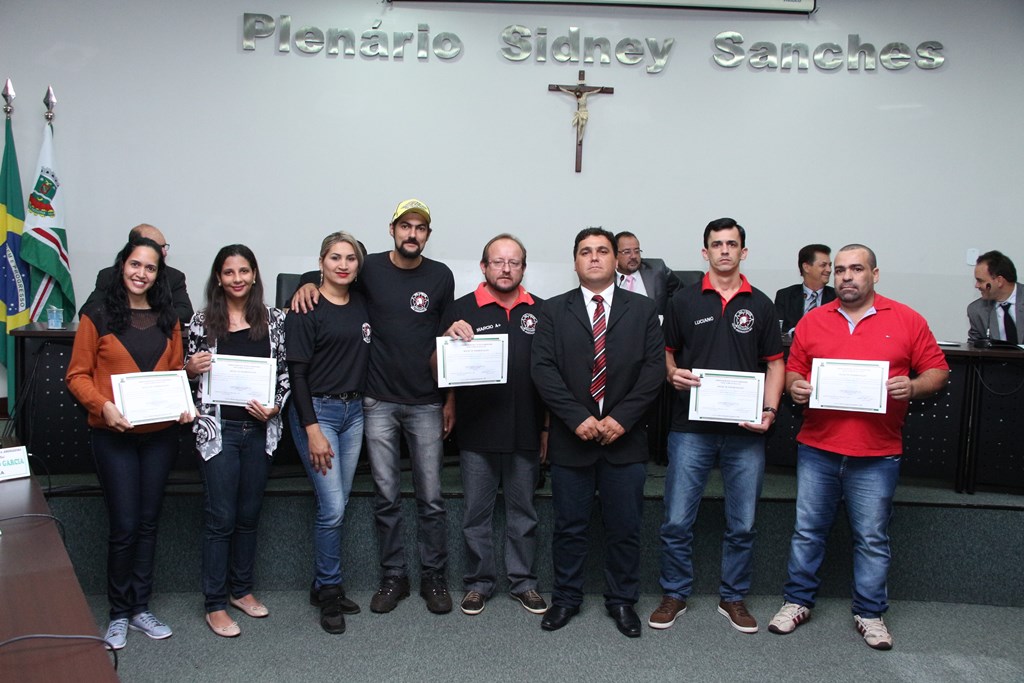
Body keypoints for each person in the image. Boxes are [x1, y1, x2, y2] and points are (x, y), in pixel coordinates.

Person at [768, 244, 949, 651]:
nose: (847, 277)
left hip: (877, 452)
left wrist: (913, 386)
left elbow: (938, 371)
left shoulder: (906, 318)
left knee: (871, 537)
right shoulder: (814, 320)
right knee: (807, 532)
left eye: (857, 269)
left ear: (874, 274)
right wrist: (796, 386)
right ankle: (797, 602)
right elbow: (794, 369)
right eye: (840, 270)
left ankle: (869, 613)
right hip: (818, 447)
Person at [291, 199, 455, 614]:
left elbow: (444, 343)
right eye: (405, 226)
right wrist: (306, 283)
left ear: (428, 235)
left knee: (432, 498)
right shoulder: (371, 269)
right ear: (392, 230)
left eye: (420, 227)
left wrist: (450, 399)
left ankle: (434, 577)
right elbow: (334, 277)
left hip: (426, 403)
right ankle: (393, 577)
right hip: (377, 401)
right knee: (386, 496)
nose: (412, 233)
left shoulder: (441, 276)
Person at [652, 217, 784, 634]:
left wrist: (770, 410)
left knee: (742, 523)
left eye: (731, 244)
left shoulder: (761, 304)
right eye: (716, 244)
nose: (724, 250)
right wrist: (671, 373)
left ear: (743, 252)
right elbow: (666, 352)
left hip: (745, 431)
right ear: (704, 252)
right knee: (676, 520)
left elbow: (776, 364)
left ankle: (733, 597)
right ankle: (674, 594)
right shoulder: (683, 301)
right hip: (690, 429)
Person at [531, 227, 664, 638]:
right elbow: (543, 369)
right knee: (569, 527)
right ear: (574, 262)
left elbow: (653, 370)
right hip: (573, 439)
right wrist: (577, 418)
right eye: (585, 251)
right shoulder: (553, 310)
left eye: (602, 251)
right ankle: (566, 598)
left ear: (615, 260)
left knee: (625, 528)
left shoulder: (643, 309)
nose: (594, 257)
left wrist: (621, 418)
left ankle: (622, 601)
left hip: (626, 439)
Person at [66, 235, 193, 651]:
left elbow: (175, 372)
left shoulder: (168, 318)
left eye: (150, 267)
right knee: (124, 525)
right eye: (135, 264)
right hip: (113, 437)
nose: (141, 273)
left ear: (159, 274)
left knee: (149, 522)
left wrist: (182, 405)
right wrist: (103, 406)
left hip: (160, 438)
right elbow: (77, 375)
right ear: (122, 265)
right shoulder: (97, 314)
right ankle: (119, 613)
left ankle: (140, 608)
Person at [439, 234, 548, 617]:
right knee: (476, 515)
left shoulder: (542, 311)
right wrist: (447, 341)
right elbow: (437, 369)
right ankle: (478, 584)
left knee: (524, 514)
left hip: (526, 429)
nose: (506, 269)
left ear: (523, 268)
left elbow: (550, 378)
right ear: (484, 267)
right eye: (498, 262)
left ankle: (524, 583)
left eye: (514, 262)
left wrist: (546, 428)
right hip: (477, 430)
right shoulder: (460, 310)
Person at [183, 245, 289, 638]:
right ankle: (214, 603)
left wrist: (276, 406)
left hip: (259, 431)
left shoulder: (275, 320)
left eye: (244, 271)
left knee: (248, 515)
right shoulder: (202, 321)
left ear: (255, 274)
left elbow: (284, 375)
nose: (237, 279)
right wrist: (189, 369)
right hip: (218, 432)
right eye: (229, 272)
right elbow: (188, 379)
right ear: (219, 278)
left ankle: (240, 590)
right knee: (221, 518)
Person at [285, 232, 372, 634]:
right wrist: (312, 429)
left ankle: (321, 584)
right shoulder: (306, 307)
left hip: (354, 413)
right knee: (333, 507)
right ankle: (331, 592)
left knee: (338, 502)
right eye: (334, 257)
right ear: (320, 262)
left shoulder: (363, 303)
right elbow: (297, 374)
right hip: (318, 413)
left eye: (350, 258)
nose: (343, 264)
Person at [80, 223, 193, 326]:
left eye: (164, 246)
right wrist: (124, 317)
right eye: (157, 246)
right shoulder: (108, 275)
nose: (164, 253)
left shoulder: (174, 276)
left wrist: (145, 319)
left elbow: (186, 313)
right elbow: (87, 312)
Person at [614, 230, 682, 318]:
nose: (634, 256)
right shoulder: (606, 277)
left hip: (655, 324)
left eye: (637, 251)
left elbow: (681, 293)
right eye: (627, 252)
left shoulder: (657, 269)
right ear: (615, 254)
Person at [774, 244, 835, 337]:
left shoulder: (837, 297)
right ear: (806, 267)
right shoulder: (785, 296)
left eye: (830, 265)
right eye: (823, 265)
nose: (829, 270)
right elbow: (778, 330)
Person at [967, 250, 1022, 343]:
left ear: (999, 281)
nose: (977, 285)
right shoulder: (977, 310)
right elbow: (974, 346)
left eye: (980, 281)